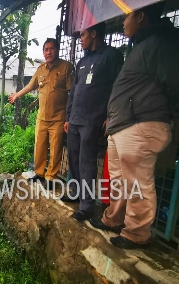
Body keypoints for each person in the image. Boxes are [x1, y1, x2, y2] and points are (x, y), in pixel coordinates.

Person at [89, 3, 179, 249]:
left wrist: (167, 114)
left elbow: (177, 85)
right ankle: (114, 219)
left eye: (127, 16)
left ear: (141, 16)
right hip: (123, 125)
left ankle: (137, 233)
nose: (122, 21)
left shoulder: (162, 44)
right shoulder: (144, 46)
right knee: (120, 180)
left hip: (140, 125)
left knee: (138, 183)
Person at [63, 22, 125, 221]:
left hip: (93, 119)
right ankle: (75, 191)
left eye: (83, 34)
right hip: (75, 119)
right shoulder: (82, 61)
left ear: (94, 33)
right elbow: (75, 91)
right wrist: (68, 116)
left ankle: (86, 205)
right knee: (73, 159)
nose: (81, 39)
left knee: (87, 162)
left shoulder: (111, 56)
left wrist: (110, 115)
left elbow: (117, 87)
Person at [9, 38, 74, 185]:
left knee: (56, 149)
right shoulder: (41, 69)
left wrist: (70, 116)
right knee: (39, 146)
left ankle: (51, 177)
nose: (48, 52)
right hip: (42, 117)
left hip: (58, 117)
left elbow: (72, 92)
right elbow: (30, 86)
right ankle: (39, 173)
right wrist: (17, 95)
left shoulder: (66, 67)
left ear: (57, 50)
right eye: (46, 49)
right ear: (43, 52)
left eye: (51, 49)